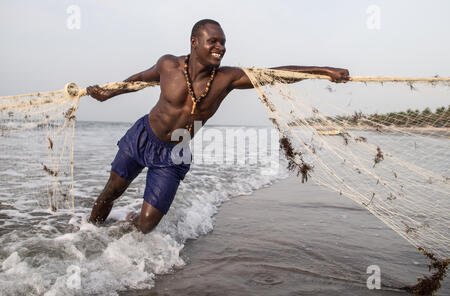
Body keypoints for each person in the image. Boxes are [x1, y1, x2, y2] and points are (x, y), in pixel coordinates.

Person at [87, 19, 349, 233]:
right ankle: (85, 235)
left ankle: (119, 229)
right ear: (194, 42)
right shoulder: (168, 65)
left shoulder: (226, 78)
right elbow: (138, 80)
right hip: (143, 137)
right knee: (111, 192)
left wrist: (324, 71)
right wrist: (110, 93)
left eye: (223, 43)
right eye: (213, 41)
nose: (220, 47)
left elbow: (274, 74)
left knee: (146, 224)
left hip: (173, 153)